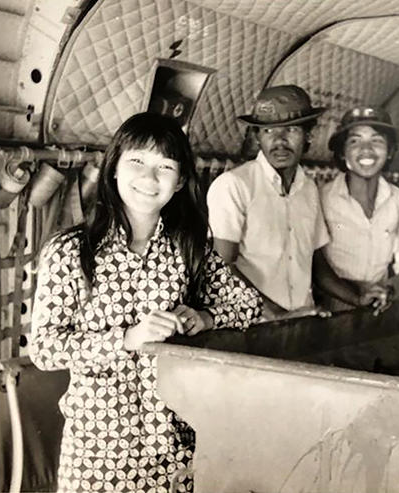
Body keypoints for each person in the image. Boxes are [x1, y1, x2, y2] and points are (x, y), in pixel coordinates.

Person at [28, 112, 262, 493]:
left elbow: (248, 306)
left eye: (165, 166)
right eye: (137, 161)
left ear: (181, 180)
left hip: (176, 447)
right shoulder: (70, 251)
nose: (149, 179)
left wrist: (206, 317)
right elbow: (44, 349)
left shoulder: (190, 248)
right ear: (114, 169)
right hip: (98, 452)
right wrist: (126, 339)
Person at [206, 85, 376, 319]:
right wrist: (275, 315)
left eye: (292, 129)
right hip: (251, 326)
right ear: (256, 137)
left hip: (300, 321)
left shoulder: (308, 189)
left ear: (308, 135)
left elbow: (316, 266)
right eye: (268, 131)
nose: (279, 141)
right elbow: (221, 268)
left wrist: (357, 299)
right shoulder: (233, 185)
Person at [320, 106, 399, 311]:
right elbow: (312, 267)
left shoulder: (396, 198)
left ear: (390, 152)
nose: (366, 149)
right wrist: (354, 290)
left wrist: (396, 286)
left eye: (377, 141)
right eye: (355, 141)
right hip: (334, 309)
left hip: (380, 306)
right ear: (343, 153)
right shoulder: (322, 199)